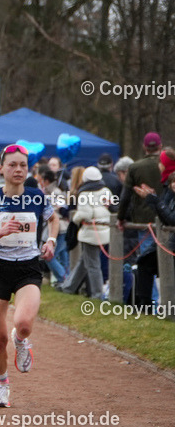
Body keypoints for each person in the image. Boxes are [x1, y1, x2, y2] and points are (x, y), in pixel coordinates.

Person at [0, 143, 59, 409]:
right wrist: (0, 232)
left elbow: (54, 219)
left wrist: (51, 241)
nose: (18, 169)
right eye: (12, 164)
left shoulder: (37, 196)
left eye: (23, 165)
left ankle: (21, 341)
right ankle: (2, 385)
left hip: (28, 268)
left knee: (23, 323)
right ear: (1, 169)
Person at [117, 132, 163, 309]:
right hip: (167, 220)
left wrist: (121, 218)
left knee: (146, 262)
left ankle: (152, 301)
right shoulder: (165, 165)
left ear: (145, 147)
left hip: (145, 221)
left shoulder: (135, 167)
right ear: (160, 147)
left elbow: (126, 195)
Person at [59, 167, 109, 298]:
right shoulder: (106, 191)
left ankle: (98, 294)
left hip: (91, 232)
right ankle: (69, 287)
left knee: (92, 264)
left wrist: (75, 219)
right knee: (84, 261)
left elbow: (85, 214)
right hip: (103, 229)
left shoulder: (85, 194)